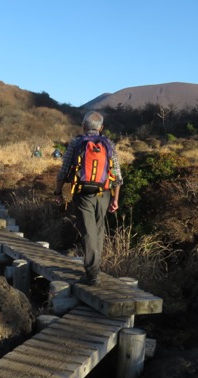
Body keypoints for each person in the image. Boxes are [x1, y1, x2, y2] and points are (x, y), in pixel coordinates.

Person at [54, 111, 122, 285]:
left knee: (88, 232)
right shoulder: (109, 144)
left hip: (83, 193)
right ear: (102, 128)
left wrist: (58, 192)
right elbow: (117, 176)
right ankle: (95, 269)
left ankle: (92, 274)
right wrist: (115, 200)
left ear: (84, 127)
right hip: (104, 193)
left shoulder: (76, 143)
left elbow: (63, 171)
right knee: (98, 230)